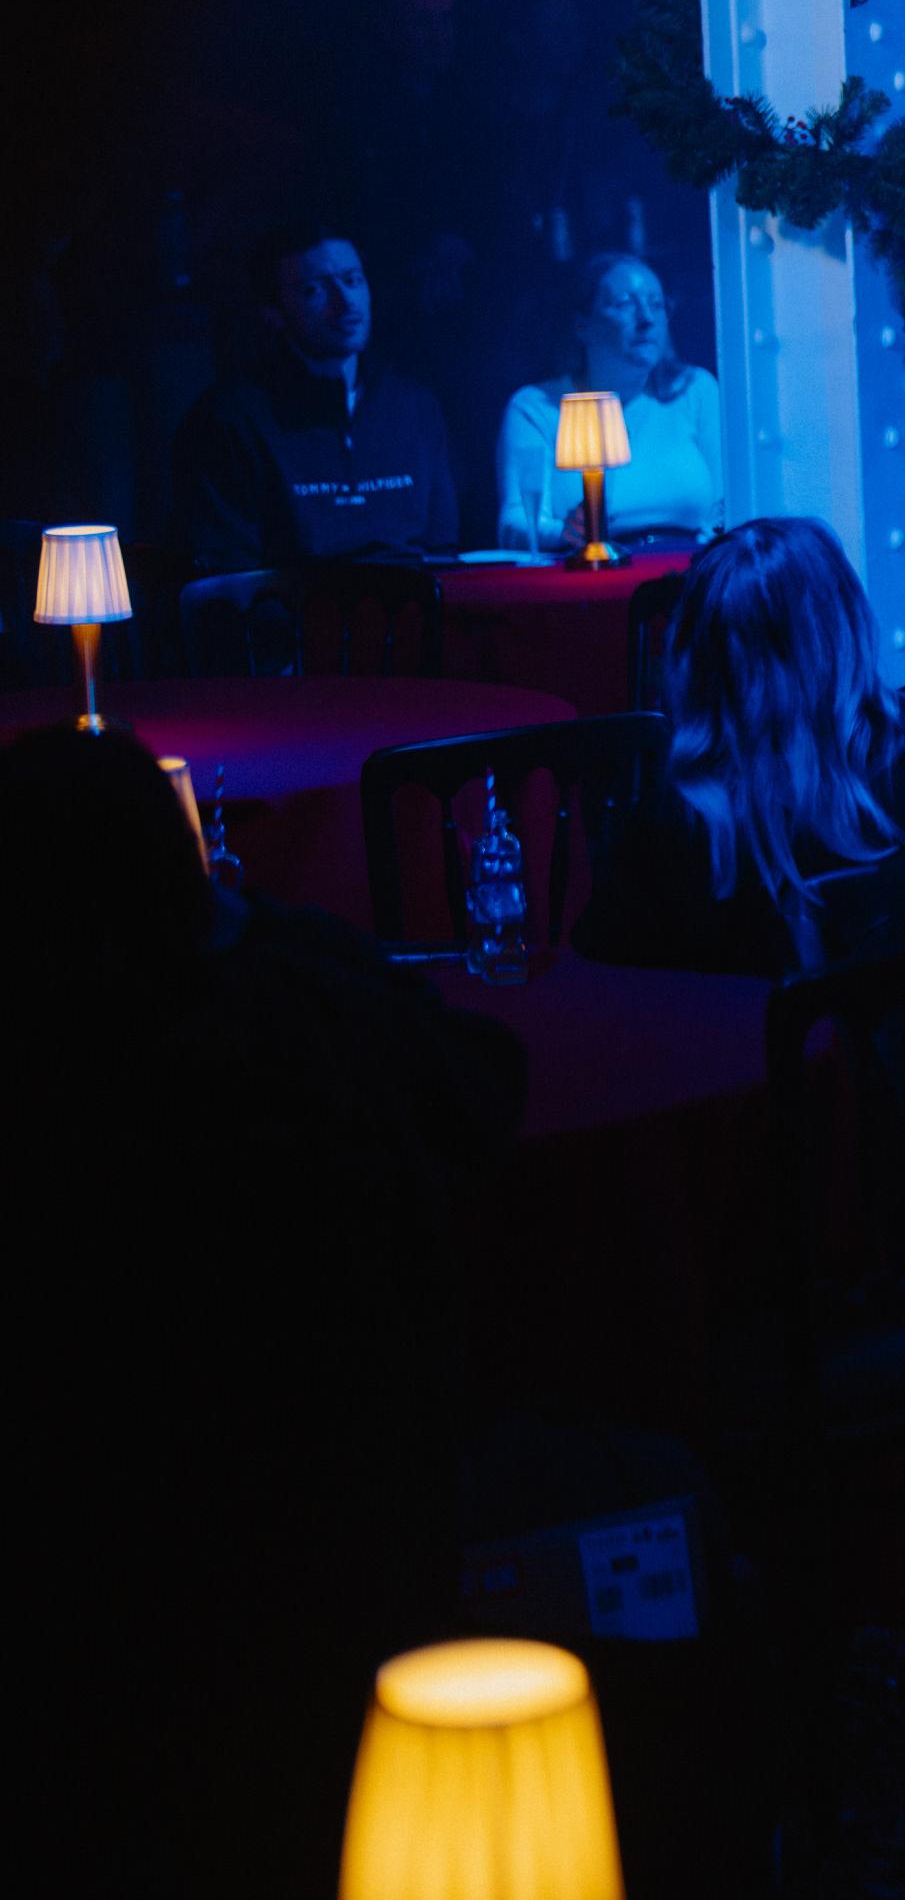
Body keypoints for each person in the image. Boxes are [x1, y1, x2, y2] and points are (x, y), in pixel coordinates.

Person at [26, 722, 518, 1894]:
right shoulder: (313, 1012)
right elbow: (488, 1086)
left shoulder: (58, 1091)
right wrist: (275, 934)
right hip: (370, 1535)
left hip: (102, 1612)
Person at [573, 517, 905, 977]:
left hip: (773, 1027)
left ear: (696, 660)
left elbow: (601, 980)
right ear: (849, 622)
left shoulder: (682, 822)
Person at [171, 222, 458, 569]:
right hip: (295, 603)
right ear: (273, 312)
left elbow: (442, 549)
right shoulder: (231, 420)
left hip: (412, 602)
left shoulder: (414, 407)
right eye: (314, 290)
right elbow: (226, 567)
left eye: (353, 280)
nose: (345, 302)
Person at [491, 248, 724, 550]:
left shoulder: (695, 390)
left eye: (656, 304)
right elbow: (517, 521)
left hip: (688, 567)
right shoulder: (537, 408)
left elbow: (726, 505)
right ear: (582, 325)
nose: (647, 319)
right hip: (593, 570)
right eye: (624, 303)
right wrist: (565, 534)